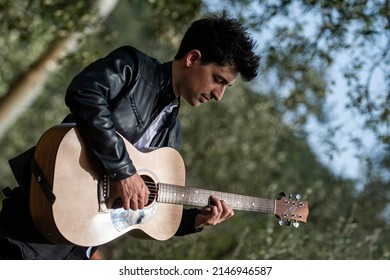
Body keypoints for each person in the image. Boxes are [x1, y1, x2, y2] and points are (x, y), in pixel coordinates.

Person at [0, 11, 260, 259]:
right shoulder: (133, 68)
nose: (218, 95)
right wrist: (123, 171)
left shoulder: (171, 136)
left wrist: (195, 221)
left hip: (80, 247)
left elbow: (145, 213)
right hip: (33, 227)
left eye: (226, 87)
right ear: (192, 58)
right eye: (218, 79)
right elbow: (84, 93)